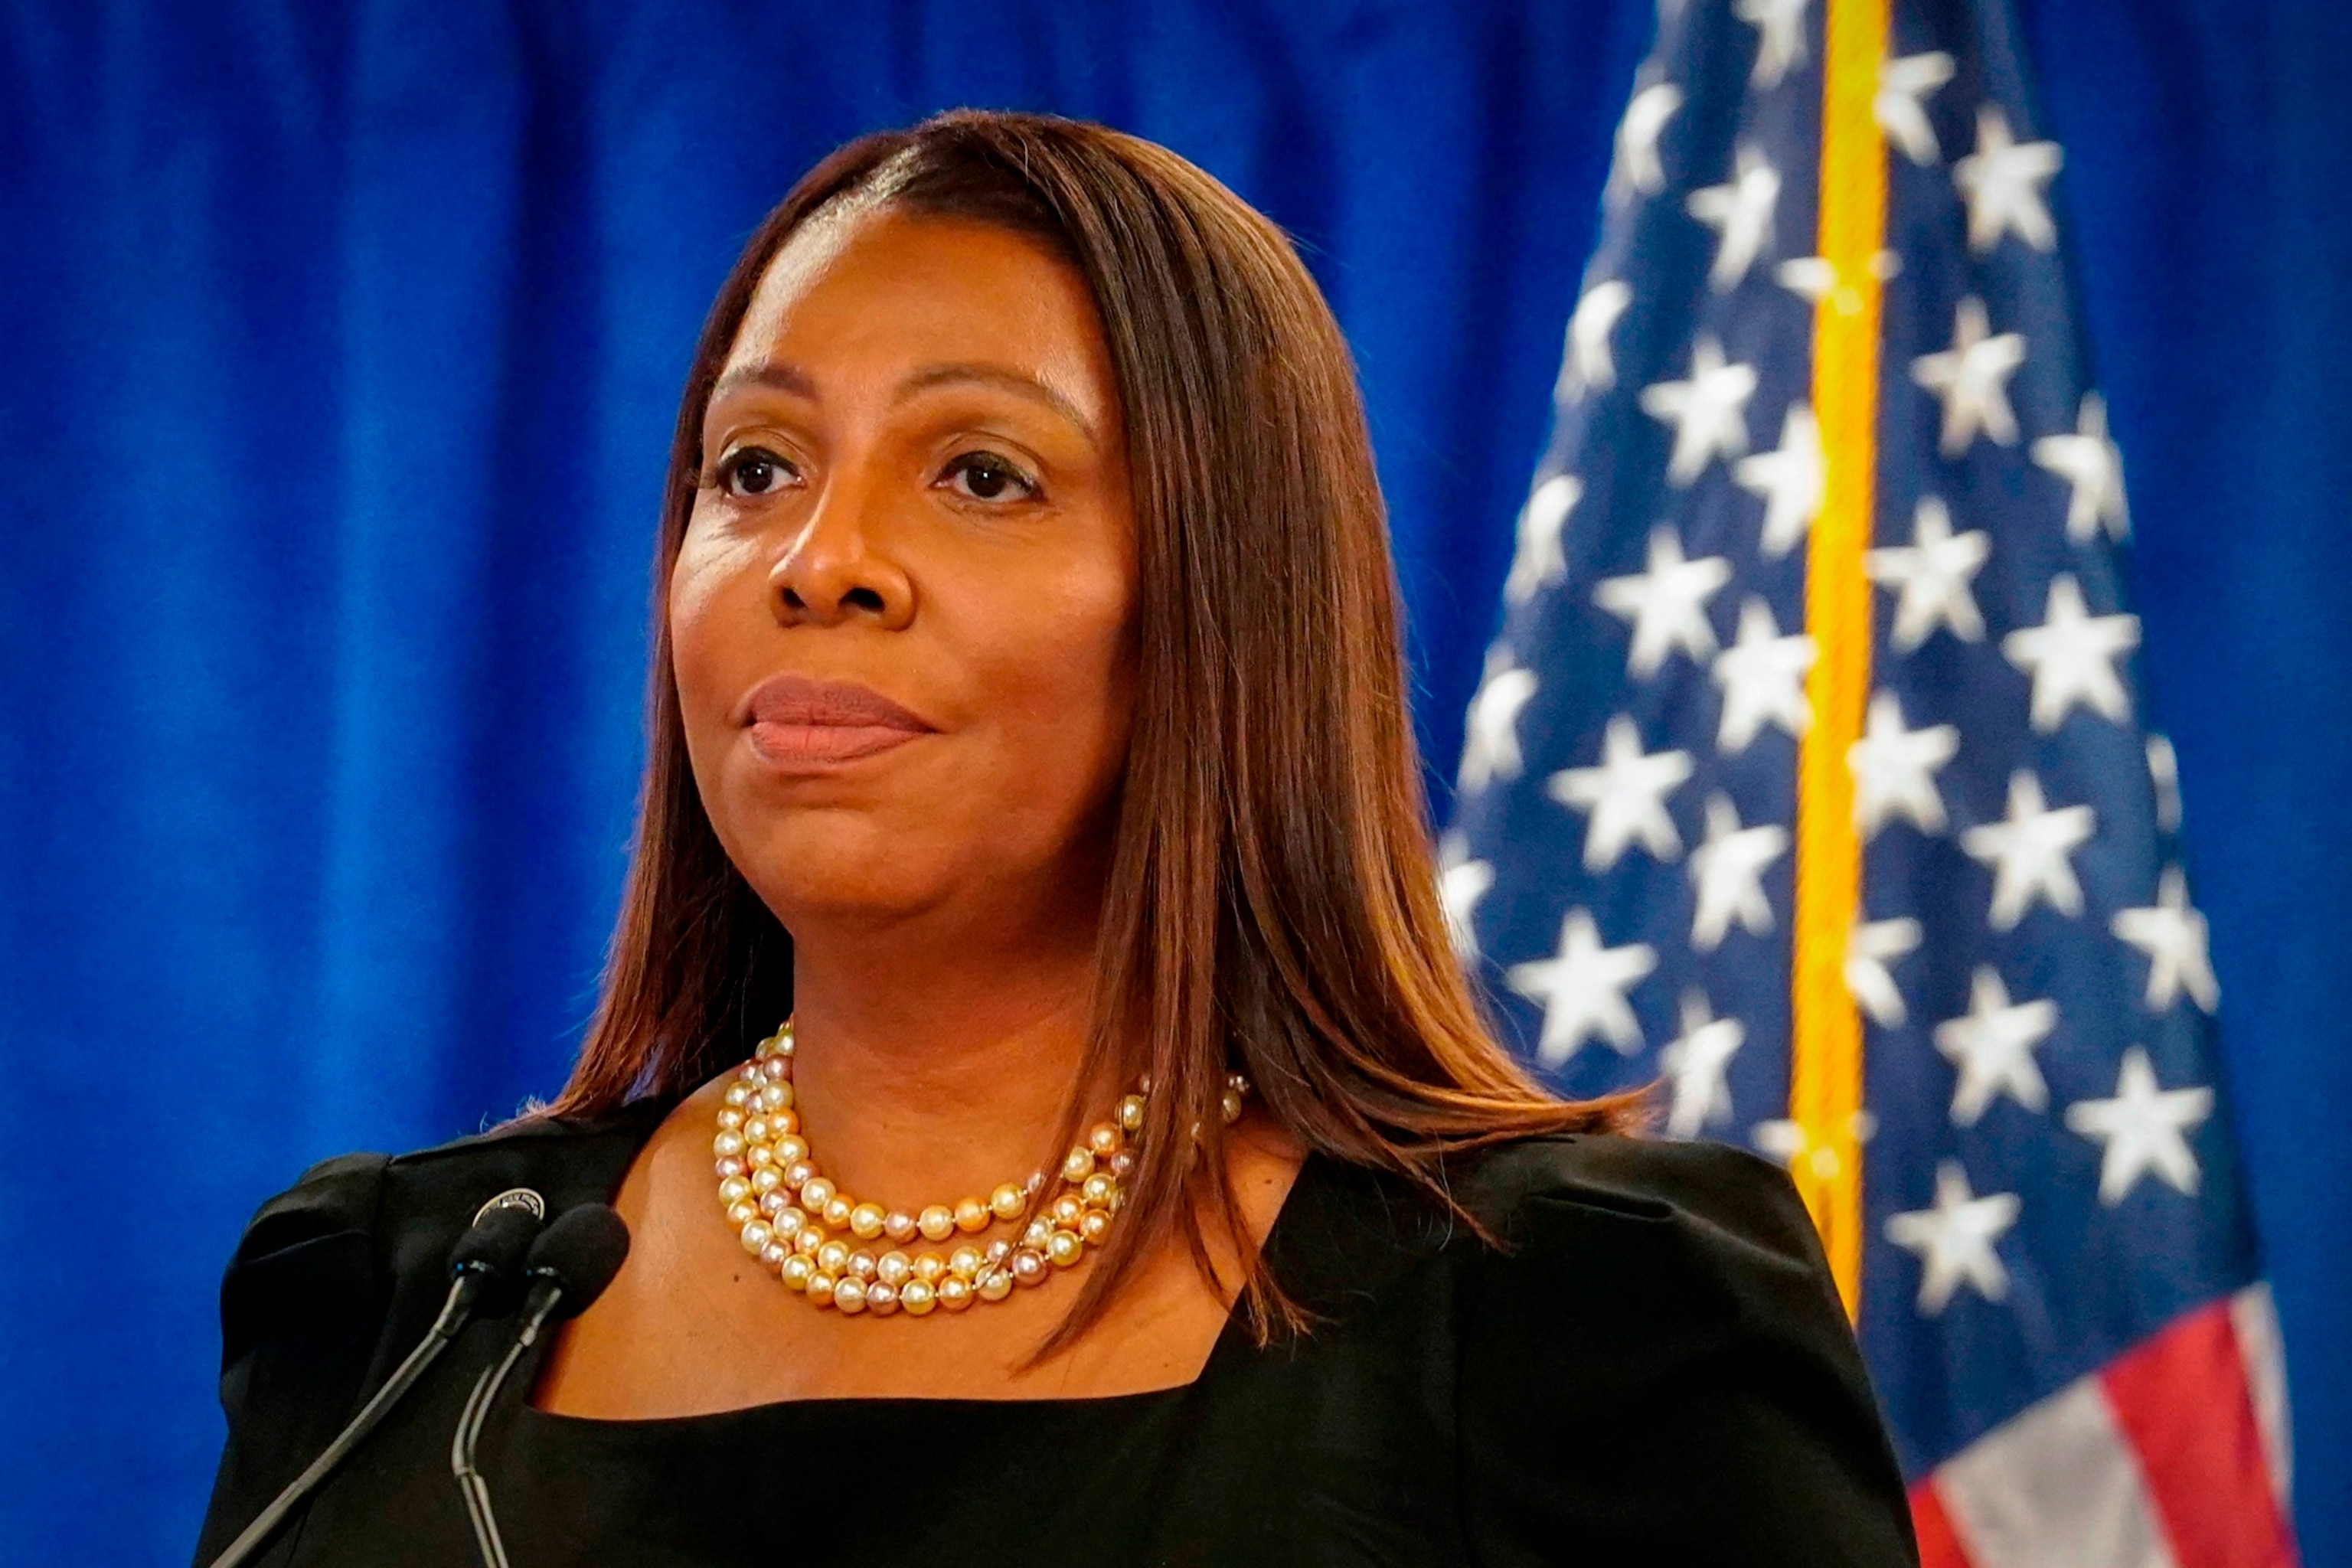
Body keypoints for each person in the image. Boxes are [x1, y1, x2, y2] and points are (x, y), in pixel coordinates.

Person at [193, 109, 1919, 1566]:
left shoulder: (1575, 1317)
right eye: (755, 466)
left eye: (982, 473)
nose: (820, 556)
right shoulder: (404, 1311)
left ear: (1224, 609)